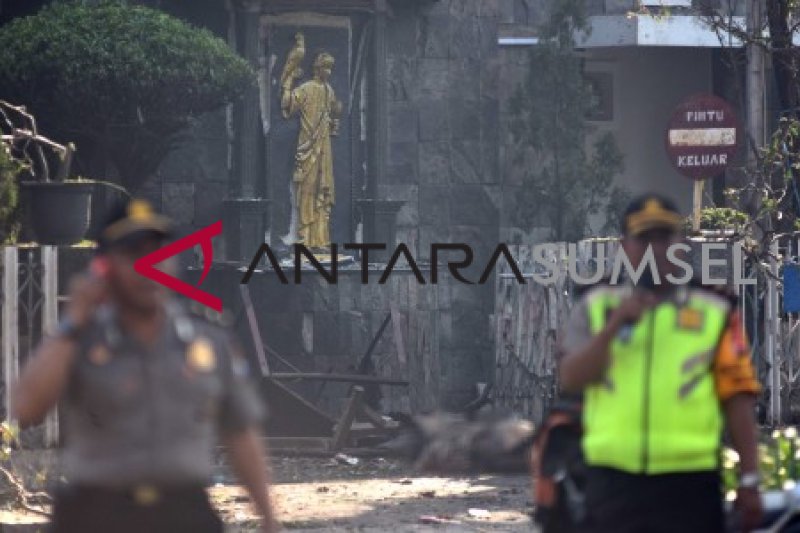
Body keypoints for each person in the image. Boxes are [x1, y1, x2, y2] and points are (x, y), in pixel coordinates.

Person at [12, 198, 279, 533]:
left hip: (184, 514)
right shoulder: (80, 341)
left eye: (159, 252)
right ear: (104, 267)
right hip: (96, 515)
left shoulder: (210, 341)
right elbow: (26, 408)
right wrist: (73, 322)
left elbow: (240, 432)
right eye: (133, 255)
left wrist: (269, 518)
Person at [558, 194, 763, 533]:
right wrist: (614, 327)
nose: (655, 248)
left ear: (680, 244)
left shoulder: (715, 311)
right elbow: (571, 379)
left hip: (690, 486)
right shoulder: (595, 307)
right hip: (612, 483)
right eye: (644, 238)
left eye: (664, 237)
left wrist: (751, 479)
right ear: (625, 246)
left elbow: (737, 398)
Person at [281, 49, 342, 250]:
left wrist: (333, 121)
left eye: (331, 68)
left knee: (323, 190)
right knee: (307, 189)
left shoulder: (329, 91)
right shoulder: (306, 88)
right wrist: (288, 80)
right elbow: (288, 105)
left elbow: (333, 113)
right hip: (307, 145)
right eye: (326, 67)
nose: (329, 72)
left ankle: (321, 238)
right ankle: (305, 235)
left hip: (324, 146)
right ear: (317, 68)